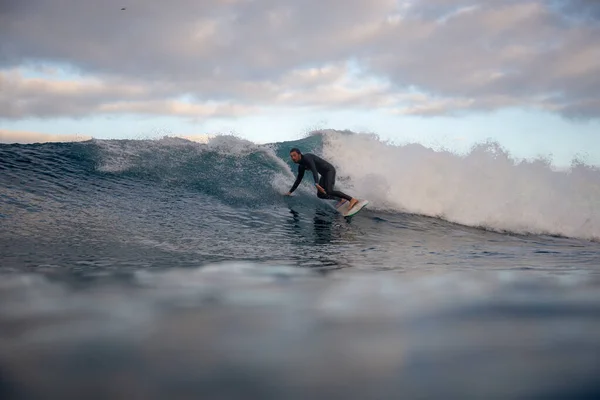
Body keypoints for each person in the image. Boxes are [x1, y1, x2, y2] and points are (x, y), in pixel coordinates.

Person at [285, 148, 359, 210]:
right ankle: (341, 199)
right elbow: (298, 180)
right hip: (324, 175)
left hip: (329, 170)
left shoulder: (307, 158)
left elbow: (314, 170)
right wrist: (290, 192)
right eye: (291, 156)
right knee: (320, 195)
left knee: (329, 191)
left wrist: (316, 183)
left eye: (294, 155)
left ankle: (351, 199)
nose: (293, 158)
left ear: (299, 154)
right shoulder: (301, 166)